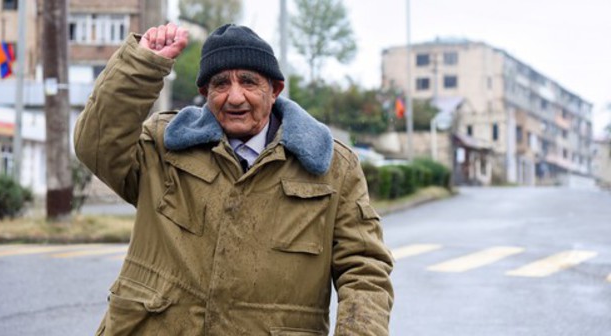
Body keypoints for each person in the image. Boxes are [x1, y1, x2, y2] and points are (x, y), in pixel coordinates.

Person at [74, 22, 393, 335]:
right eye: (221, 84)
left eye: (249, 82)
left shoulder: (333, 166)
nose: (235, 97)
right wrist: (140, 66)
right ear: (205, 93)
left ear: (274, 89)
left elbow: (364, 268)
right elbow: (96, 145)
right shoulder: (164, 146)